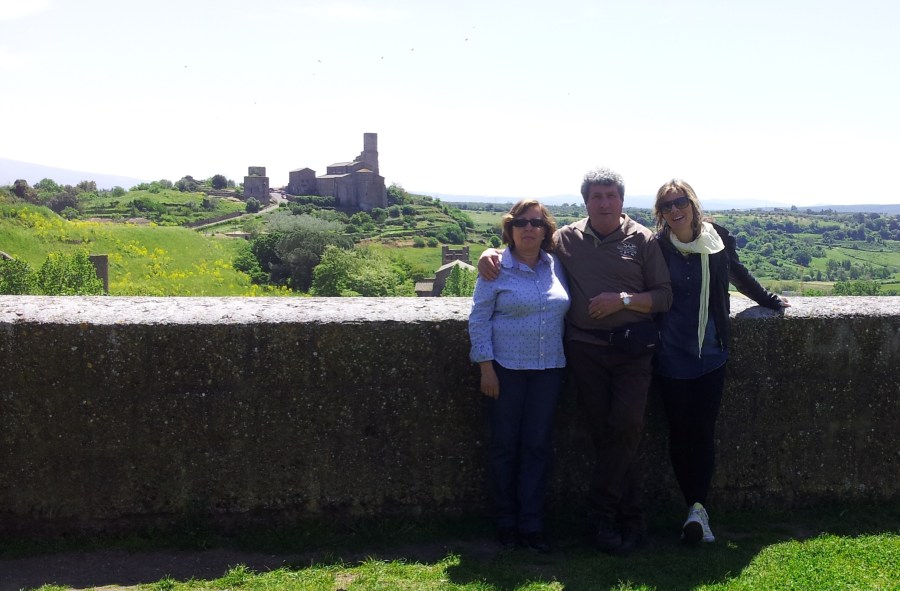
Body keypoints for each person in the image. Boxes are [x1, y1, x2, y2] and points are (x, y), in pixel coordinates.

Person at [479, 168, 672, 555]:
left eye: (611, 195)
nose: (604, 202)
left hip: (633, 349)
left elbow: (664, 296)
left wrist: (623, 300)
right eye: (596, 196)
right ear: (586, 201)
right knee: (608, 434)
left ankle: (605, 513)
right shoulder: (566, 239)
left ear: (622, 199)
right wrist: (488, 253)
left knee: (627, 426)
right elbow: (522, 251)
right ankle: (626, 520)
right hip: (585, 349)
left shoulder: (643, 239)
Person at [652, 179, 789, 544]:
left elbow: (736, 273)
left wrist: (769, 299)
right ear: (660, 213)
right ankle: (692, 508)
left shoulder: (717, 239)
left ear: (693, 203)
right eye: (667, 205)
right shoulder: (656, 247)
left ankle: (698, 510)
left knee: (702, 431)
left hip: (711, 353)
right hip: (670, 355)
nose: (675, 209)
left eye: (680, 201)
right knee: (680, 433)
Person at [468, 199, 570, 553]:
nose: (529, 228)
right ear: (509, 229)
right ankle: (506, 523)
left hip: (548, 370)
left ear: (546, 230)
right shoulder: (496, 267)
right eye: (521, 222)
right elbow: (479, 318)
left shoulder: (556, 265)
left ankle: (532, 524)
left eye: (537, 223)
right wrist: (485, 367)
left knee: (537, 448)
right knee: (504, 448)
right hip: (505, 371)